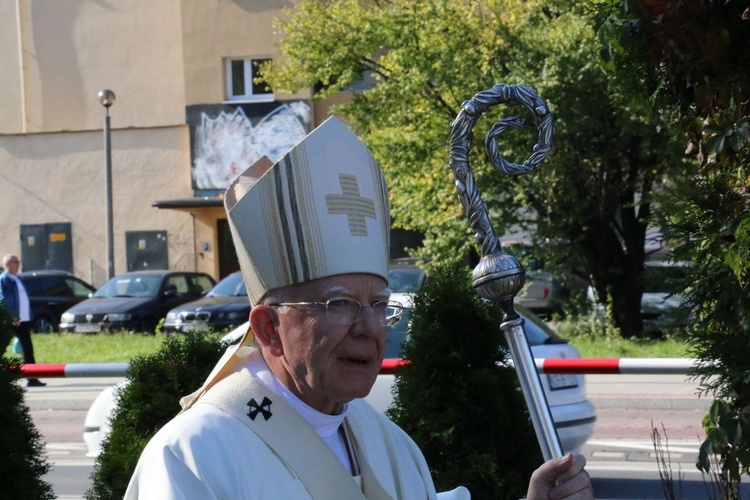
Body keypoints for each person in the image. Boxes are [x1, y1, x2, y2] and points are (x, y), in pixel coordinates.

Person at [125, 117, 592, 499]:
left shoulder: (388, 443)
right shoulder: (193, 455)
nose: (370, 327)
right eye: (341, 304)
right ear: (269, 329)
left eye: (379, 305)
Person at [0, 254, 46, 387]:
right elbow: (3, 299)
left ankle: (32, 378)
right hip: (12, 320)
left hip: (23, 320)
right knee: (2, 348)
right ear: (8, 264)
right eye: (16, 262)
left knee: (27, 349)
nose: (18, 264)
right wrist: (12, 316)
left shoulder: (17, 278)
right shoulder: (4, 279)